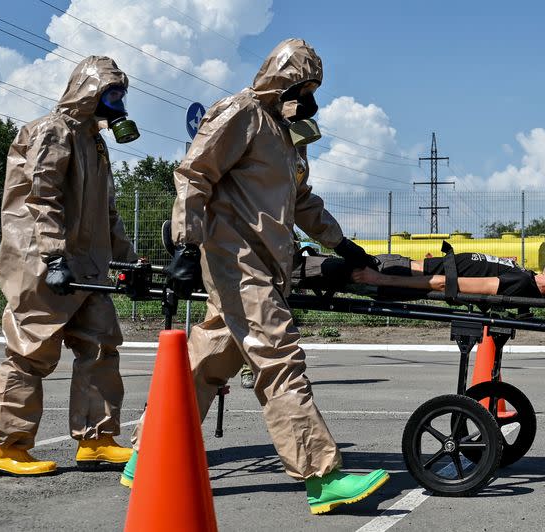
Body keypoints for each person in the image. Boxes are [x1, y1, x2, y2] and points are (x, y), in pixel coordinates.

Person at [122, 38, 389, 515]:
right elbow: (194, 174)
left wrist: (341, 244)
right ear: (281, 79)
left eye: (312, 89)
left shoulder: (284, 138)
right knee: (279, 357)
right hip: (235, 259)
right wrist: (186, 243)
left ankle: (145, 455)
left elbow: (301, 202)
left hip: (265, 263)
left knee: (208, 362)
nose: (308, 98)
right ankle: (321, 476)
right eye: (302, 86)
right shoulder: (240, 113)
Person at [0, 56, 140, 476]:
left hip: (89, 268)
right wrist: (53, 256)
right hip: (44, 263)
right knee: (30, 352)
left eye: (121, 94)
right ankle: (8, 447)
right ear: (88, 91)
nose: (118, 102)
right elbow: (42, 197)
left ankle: (97, 439)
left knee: (102, 346)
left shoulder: (95, 141)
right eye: (111, 93)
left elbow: (106, 211)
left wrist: (128, 258)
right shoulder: (52, 130)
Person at [349, 253, 545, 300]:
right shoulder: (527, 276)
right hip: (396, 266)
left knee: (315, 269)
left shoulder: (521, 283)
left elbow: (444, 283)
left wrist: (378, 279)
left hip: (392, 273)